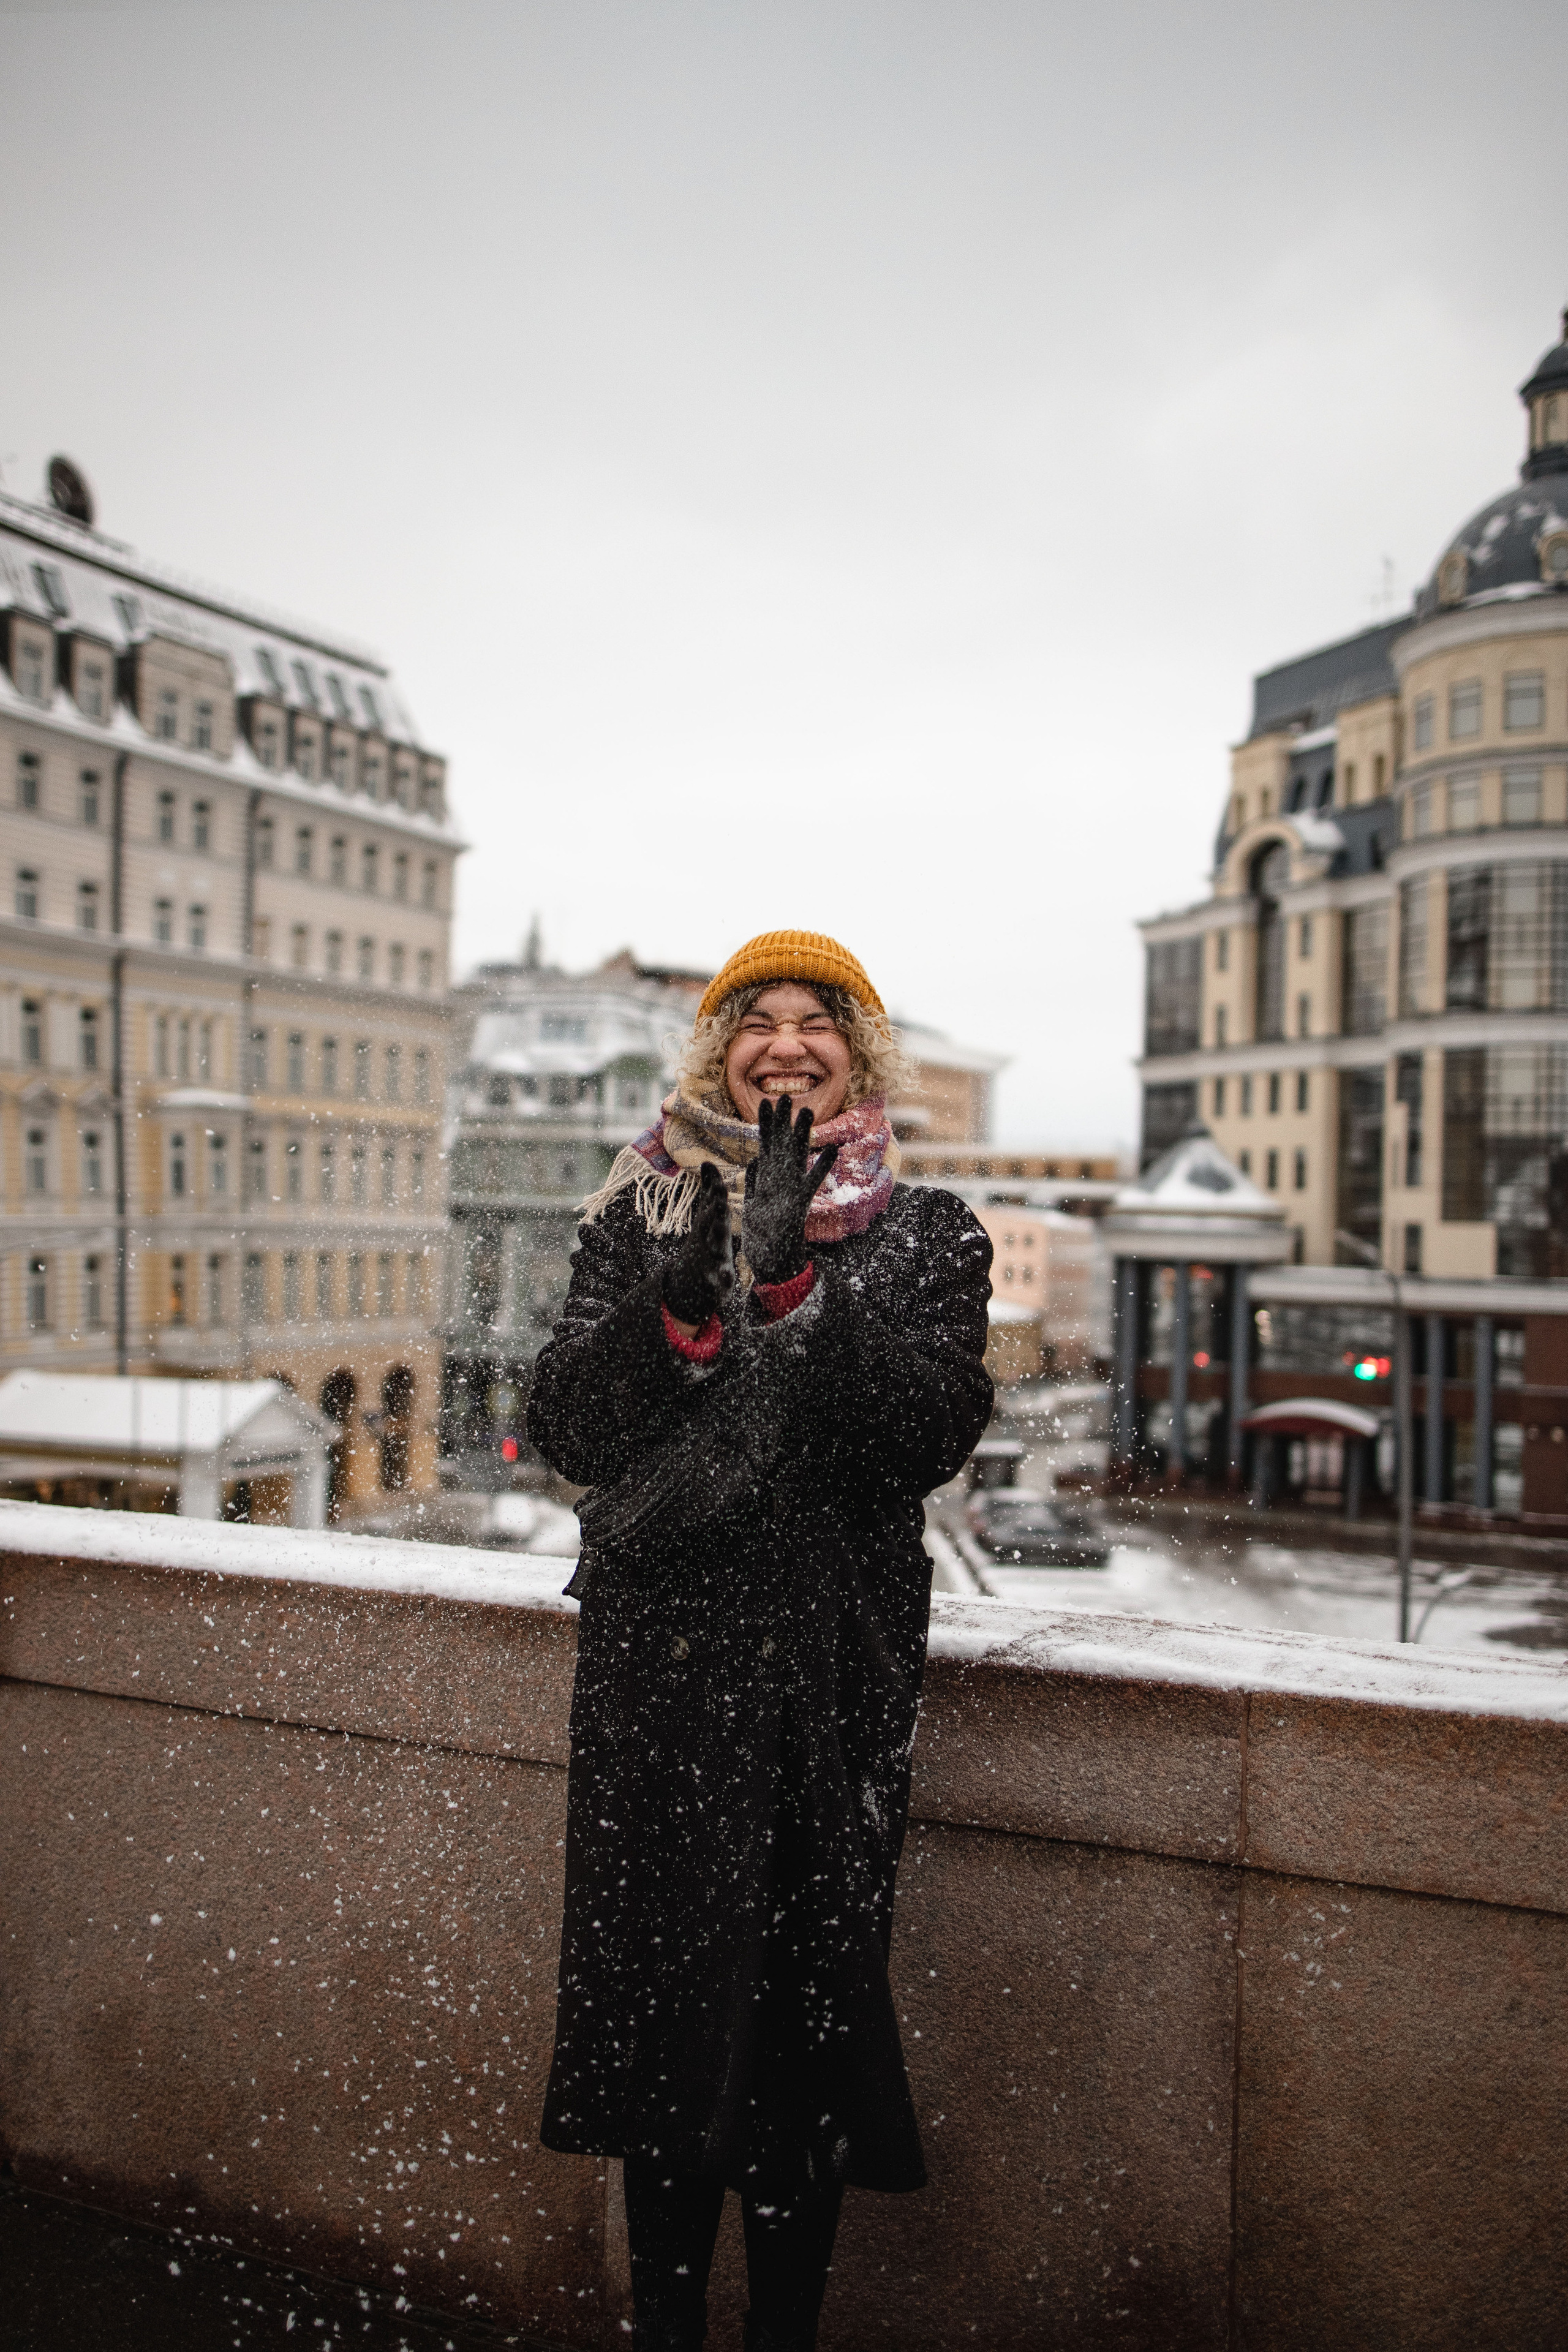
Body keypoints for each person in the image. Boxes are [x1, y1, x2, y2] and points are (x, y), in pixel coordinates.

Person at [527, 930, 993, 2352]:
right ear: (713, 1046)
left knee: (801, 2053)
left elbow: (920, 1436)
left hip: (822, 1685)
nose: (784, 1045)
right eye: (754, 1021)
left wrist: (795, 1292)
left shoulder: (929, 1230)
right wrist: (670, 1315)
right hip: (658, 1686)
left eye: (818, 1022)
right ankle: (663, 2326)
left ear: (860, 1053)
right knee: (661, 2045)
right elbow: (568, 1428)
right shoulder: (638, 1208)